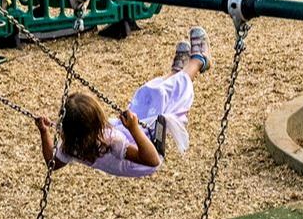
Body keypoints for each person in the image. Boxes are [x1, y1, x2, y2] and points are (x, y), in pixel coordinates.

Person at [37, 27, 210, 179]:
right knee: (170, 97)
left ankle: (176, 72)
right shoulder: (111, 140)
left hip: (128, 135)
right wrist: (134, 129)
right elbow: (152, 161)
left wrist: (44, 133)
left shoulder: (73, 144)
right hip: (145, 154)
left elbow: (52, 163)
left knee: (146, 93)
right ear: (97, 120)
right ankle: (199, 60)